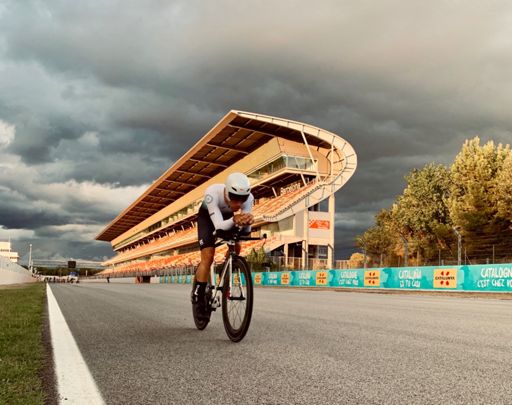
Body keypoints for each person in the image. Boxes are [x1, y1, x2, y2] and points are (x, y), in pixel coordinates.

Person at [191, 172, 255, 319]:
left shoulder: (249, 198)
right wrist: (235, 219)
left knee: (237, 247)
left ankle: (224, 273)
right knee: (208, 256)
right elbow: (219, 226)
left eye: (243, 199)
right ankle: (198, 295)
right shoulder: (212, 192)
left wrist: (248, 222)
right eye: (235, 198)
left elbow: (246, 231)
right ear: (226, 192)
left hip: (230, 218)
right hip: (208, 218)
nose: (239, 203)